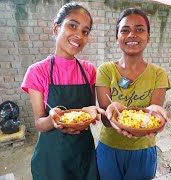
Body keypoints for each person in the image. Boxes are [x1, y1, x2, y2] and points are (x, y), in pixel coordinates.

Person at [21, 2, 104, 180]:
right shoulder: (37, 71)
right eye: (72, 25)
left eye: (85, 31)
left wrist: (92, 113)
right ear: (56, 28)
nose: (79, 35)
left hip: (83, 153)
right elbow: (38, 123)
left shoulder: (89, 70)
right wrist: (52, 121)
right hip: (52, 157)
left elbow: (90, 111)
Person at [95, 8, 171, 180]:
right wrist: (113, 110)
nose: (132, 35)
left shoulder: (159, 74)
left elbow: (154, 116)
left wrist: (157, 118)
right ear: (117, 38)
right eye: (125, 30)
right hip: (109, 148)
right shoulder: (105, 71)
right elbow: (106, 121)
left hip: (143, 150)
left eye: (139, 29)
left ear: (148, 37)